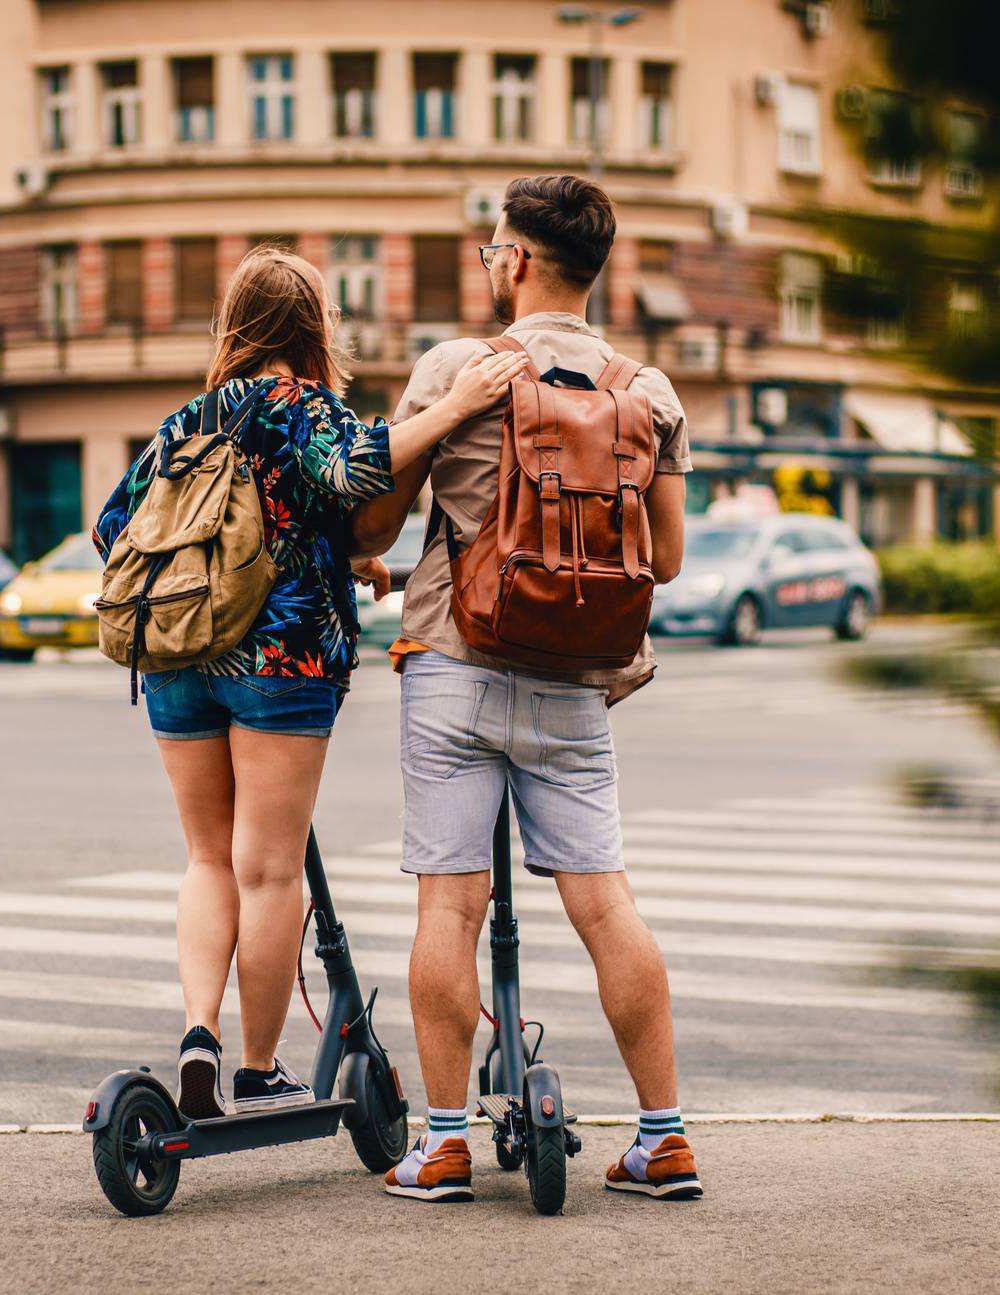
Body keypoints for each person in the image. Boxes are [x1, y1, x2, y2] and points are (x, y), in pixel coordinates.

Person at [92, 246, 530, 1120]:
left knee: (208, 860)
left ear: (235, 326)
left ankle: (198, 1038)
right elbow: (361, 467)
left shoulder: (190, 418)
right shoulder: (298, 403)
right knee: (267, 871)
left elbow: (113, 527)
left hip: (177, 661)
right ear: (311, 328)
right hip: (281, 661)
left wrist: (330, 553)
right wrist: (456, 404)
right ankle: (257, 1067)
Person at [350, 175, 698, 1203]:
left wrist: (397, 548)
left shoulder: (458, 368)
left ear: (519, 262)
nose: (489, 260)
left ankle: (446, 1142)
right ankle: (665, 1136)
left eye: (493, 247)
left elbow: (376, 524)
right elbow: (666, 560)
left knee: (450, 906)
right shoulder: (649, 391)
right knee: (606, 904)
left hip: (452, 662)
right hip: (577, 677)